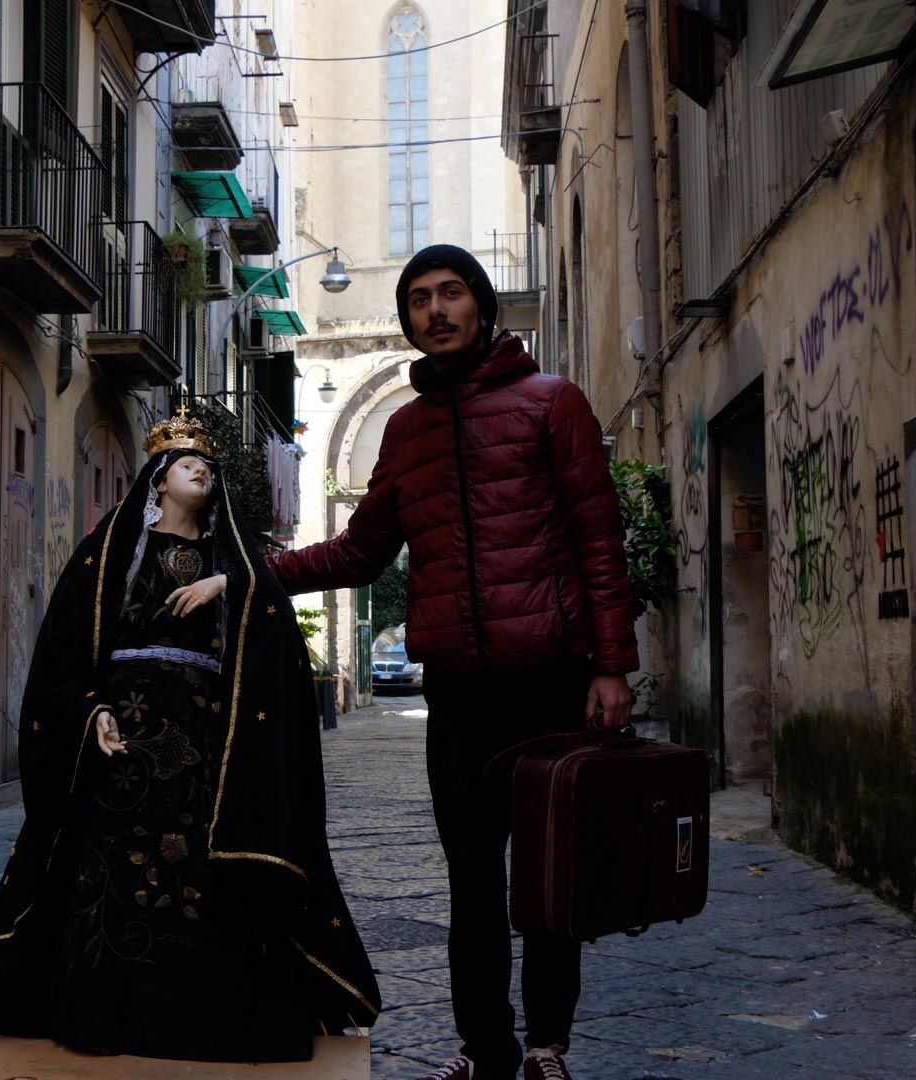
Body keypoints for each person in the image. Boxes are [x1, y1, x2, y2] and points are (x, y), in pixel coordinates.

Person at [268, 245, 639, 1080]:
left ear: (481, 306)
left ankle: (546, 1046)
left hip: (550, 681)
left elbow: (598, 538)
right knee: (471, 884)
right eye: (419, 299)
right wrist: (258, 574)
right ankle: (484, 1051)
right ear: (408, 319)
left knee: (548, 878)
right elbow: (360, 551)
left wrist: (612, 666)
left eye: (451, 293)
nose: (435, 311)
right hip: (459, 696)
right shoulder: (406, 431)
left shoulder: (552, 403)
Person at [0, 411, 380, 1063]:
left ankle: (195, 1008)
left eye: (207, 465)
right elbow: (69, 646)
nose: (201, 471)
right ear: (158, 479)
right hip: (123, 741)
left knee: (197, 868)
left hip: (206, 743)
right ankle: (110, 1007)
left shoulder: (230, 560)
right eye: (187, 464)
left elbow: (272, 625)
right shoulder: (109, 553)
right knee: (117, 866)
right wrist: (92, 710)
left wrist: (229, 583)